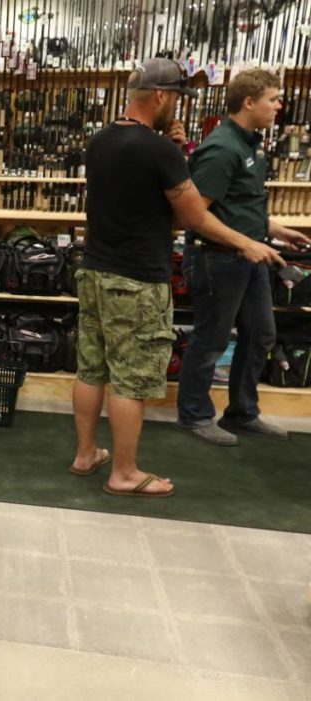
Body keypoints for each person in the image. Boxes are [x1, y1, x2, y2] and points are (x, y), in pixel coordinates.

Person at [72, 58, 284, 497]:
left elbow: (139, 193)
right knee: (131, 379)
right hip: (136, 278)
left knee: (91, 368)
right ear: (161, 97)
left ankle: (86, 453)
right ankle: (124, 473)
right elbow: (192, 216)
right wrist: (246, 242)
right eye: (177, 99)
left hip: (94, 270)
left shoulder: (101, 141)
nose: (178, 109)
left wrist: (176, 150)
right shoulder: (158, 150)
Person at [176, 68, 310, 445]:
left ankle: (242, 413)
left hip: (247, 256)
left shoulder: (250, 144)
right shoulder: (221, 149)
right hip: (217, 258)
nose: (279, 106)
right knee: (212, 338)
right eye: (273, 98)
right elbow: (194, 214)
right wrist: (245, 243)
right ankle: (194, 415)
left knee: (261, 336)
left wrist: (272, 228)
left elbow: (238, 204)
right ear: (248, 102)